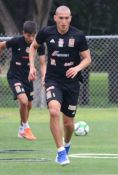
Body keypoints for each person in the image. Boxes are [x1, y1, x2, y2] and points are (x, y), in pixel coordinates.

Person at [28, 5, 91, 166]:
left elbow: (87, 59)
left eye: (67, 18)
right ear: (55, 18)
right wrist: (32, 67)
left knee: (69, 124)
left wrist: (76, 68)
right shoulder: (46, 32)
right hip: (52, 80)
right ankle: (61, 152)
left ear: (70, 18)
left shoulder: (78, 35)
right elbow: (33, 47)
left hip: (71, 83)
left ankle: (67, 144)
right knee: (54, 111)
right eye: (60, 18)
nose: (64, 21)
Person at [0, 21, 46, 141]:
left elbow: (42, 63)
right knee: (24, 102)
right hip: (14, 76)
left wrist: (44, 76)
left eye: (33, 35)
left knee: (29, 105)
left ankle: (21, 128)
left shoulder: (39, 44)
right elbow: (1, 45)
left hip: (28, 78)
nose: (31, 38)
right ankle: (26, 128)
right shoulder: (16, 41)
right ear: (23, 33)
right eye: (28, 35)